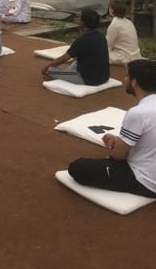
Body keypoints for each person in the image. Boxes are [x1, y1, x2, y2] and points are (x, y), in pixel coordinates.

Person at [65, 59, 156, 198]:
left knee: (78, 167)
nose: (125, 79)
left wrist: (119, 145)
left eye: (127, 76)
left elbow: (118, 156)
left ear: (134, 82)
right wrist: (121, 140)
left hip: (146, 182)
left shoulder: (138, 113)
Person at [42, 9, 110, 86]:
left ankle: (60, 75)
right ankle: (67, 74)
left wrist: (46, 67)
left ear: (82, 23)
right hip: (104, 77)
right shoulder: (102, 37)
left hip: (88, 79)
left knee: (50, 70)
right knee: (77, 60)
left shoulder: (82, 40)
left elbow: (64, 59)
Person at [107, 0, 142, 65]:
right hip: (136, 56)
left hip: (125, 58)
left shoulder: (114, 25)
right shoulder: (129, 22)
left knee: (100, 53)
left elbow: (107, 46)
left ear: (111, 10)